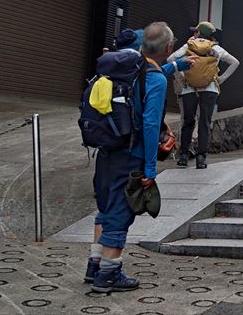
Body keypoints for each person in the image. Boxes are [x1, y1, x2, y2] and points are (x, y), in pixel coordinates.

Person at [87, 22, 189, 292]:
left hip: (108, 150)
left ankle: (94, 264)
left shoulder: (124, 70)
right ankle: (109, 273)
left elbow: (150, 79)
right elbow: (150, 125)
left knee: (107, 207)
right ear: (169, 47)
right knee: (121, 212)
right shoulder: (154, 79)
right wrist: (150, 169)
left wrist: (175, 66)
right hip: (132, 155)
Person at [169, 21, 240, 169]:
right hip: (210, 88)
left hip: (189, 88)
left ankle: (183, 156)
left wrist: (180, 76)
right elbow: (235, 62)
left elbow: (171, 59)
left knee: (188, 122)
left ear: (198, 33)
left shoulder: (189, 46)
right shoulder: (216, 48)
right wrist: (221, 79)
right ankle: (201, 158)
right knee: (204, 123)